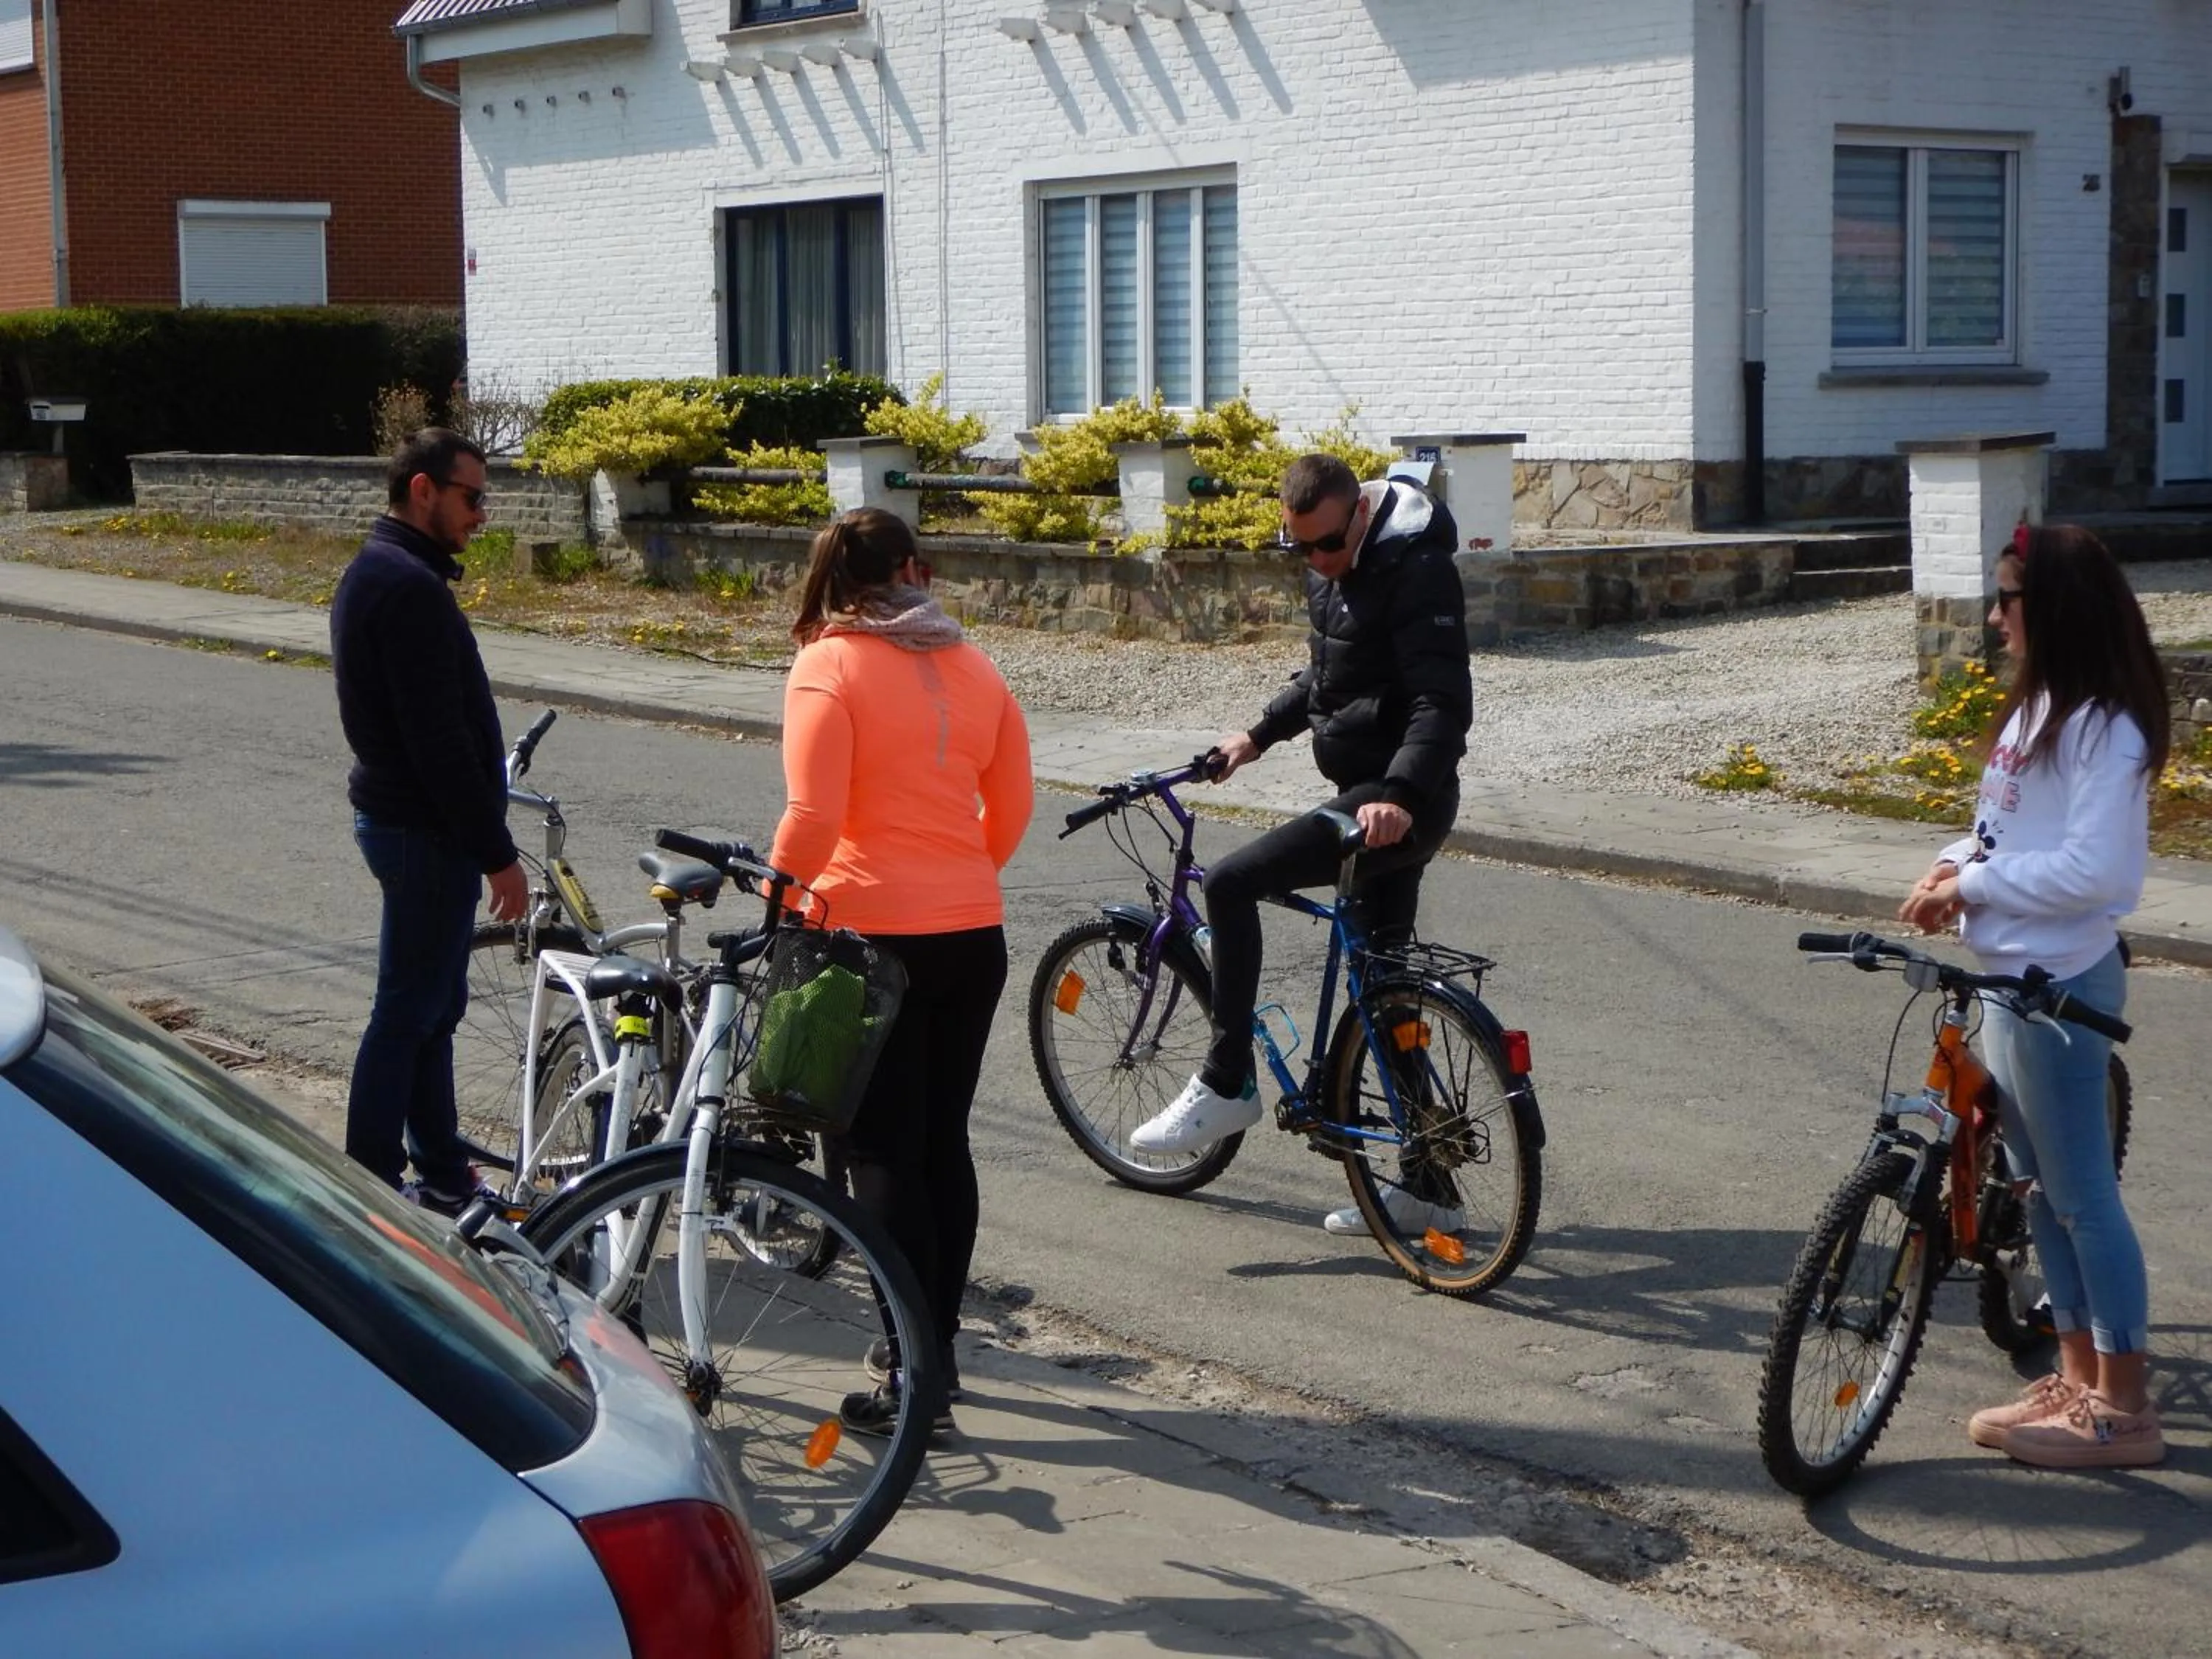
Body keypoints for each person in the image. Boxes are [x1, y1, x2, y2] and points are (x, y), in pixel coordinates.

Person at [1128, 453, 1474, 1236]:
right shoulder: (1333, 567)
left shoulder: (1418, 570)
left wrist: (1400, 794)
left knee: (1231, 881)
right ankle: (1427, 1187)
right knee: (1384, 992)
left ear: (1358, 516)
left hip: (1394, 802)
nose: (1314, 560)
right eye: (1298, 547)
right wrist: (1252, 737)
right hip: (1369, 800)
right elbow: (1328, 679)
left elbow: (1442, 702)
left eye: (1323, 544)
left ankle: (1226, 1083)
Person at [1899, 524, 2168, 1470]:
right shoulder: (2035, 713)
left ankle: (2126, 1408)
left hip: (2058, 985)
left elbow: (2096, 872)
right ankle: (2077, 1376)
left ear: (2051, 608)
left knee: (2083, 1197)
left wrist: (1972, 890)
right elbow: (1996, 832)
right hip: (2008, 980)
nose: (1992, 616)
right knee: (2041, 1196)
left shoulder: (2108, 726)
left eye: (2007, 598)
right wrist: (1949, 866)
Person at [767, 507, 1033, 1436]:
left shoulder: (827, 666)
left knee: (878, 1153)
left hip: (867, 935)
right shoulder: (976, 665)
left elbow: (812, 814)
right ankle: (941, 1347)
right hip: (971, 933)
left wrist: (781, 903)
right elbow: (1012, 803)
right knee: (940, 1144)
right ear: (913, 573)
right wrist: (959, 878)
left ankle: (905, 1370)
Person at [330, 428, 527, 1214]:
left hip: (415, 825)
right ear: (423, 490)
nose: (481, 514)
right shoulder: (404, 586)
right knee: (408, 1011)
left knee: (433, 1008)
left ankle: (441, 1168)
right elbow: (436, 742)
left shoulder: (391, 573)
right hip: (423, 831)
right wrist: (496, 852)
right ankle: (371, 1187)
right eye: (471, 497)